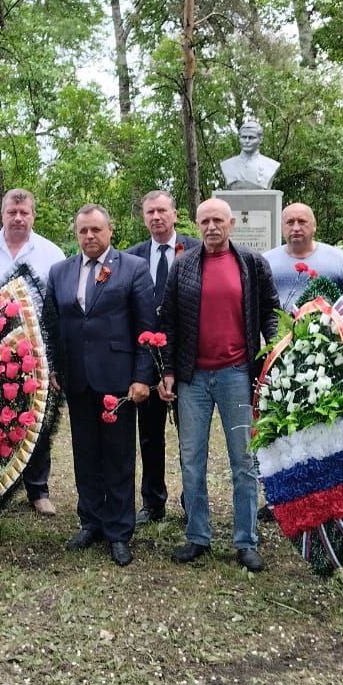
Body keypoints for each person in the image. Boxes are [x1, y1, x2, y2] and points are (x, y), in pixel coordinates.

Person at [158, 197, 278, 572]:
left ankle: (246, 541)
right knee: (191, 460)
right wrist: (168, 371)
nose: (211, 227)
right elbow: (170, 322)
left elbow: (271, 314)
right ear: (196, 225)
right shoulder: (184, 266)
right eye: (204, 221)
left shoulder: (252, 264)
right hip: (193, 378)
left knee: (243, 461)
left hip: (237, 375)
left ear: (231, 224)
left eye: (217, 221)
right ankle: (198, 536)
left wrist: (274, 355)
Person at [45, 205, 157, 566]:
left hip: (118, 380)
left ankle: (119, 530)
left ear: (110, 231)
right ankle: (90, 521)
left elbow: (146, 328)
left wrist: (142, 377)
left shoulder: (134, 269)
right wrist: (54, 369)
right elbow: (52, 325)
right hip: (77, 379)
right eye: (83, 231)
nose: (90, 236)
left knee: (119, 456)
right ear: (76, 234)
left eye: (96, 230)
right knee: (86, 453)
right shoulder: (60, 272)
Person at [0, 188, 65, 515]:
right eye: (12, 212)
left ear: (33, 214)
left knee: (35, 419)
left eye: (24, 212)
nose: (18, 218)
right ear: (3, 214)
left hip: (38, 351)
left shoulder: (52, 253)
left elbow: (59, 308)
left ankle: (38, 490)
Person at [124, 189, 199, 524]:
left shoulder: (196, 250)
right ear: (144, 217)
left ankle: (192, 499)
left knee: (190, 435)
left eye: (161, 211)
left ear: (174, 214)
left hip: (187, 358)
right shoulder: (132, 257)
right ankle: (153, 502)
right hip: (146, 359)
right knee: (149, 434)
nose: (156, 217)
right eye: (149, 212)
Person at [263, 202, 343, 310]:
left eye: (302, 222)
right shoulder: (266, 262)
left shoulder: (339, 260)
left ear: (314, 226)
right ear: (282, 228)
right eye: (290, 222)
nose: (296, 228)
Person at [218, 119, 280, 190]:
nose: (247, 141)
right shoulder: (227, 165)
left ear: (260, 140)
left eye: (251, 138)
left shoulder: (271, 165)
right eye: (244, 137)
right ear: (239, 138)